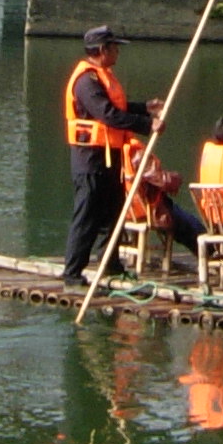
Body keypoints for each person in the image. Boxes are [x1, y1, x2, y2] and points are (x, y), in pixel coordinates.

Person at [60, 25, 156, 281]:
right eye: (114, 48)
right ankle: (73, 273)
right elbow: (108, 114)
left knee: (114, 211)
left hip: (108, 157)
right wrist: (146, 125)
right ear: (102, 50)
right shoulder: (86, 81)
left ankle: (109, 263)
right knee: (87, 214)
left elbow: (119, 106)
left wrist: (145, 108)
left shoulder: (104, 76)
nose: (117, 53)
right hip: (89, 159)